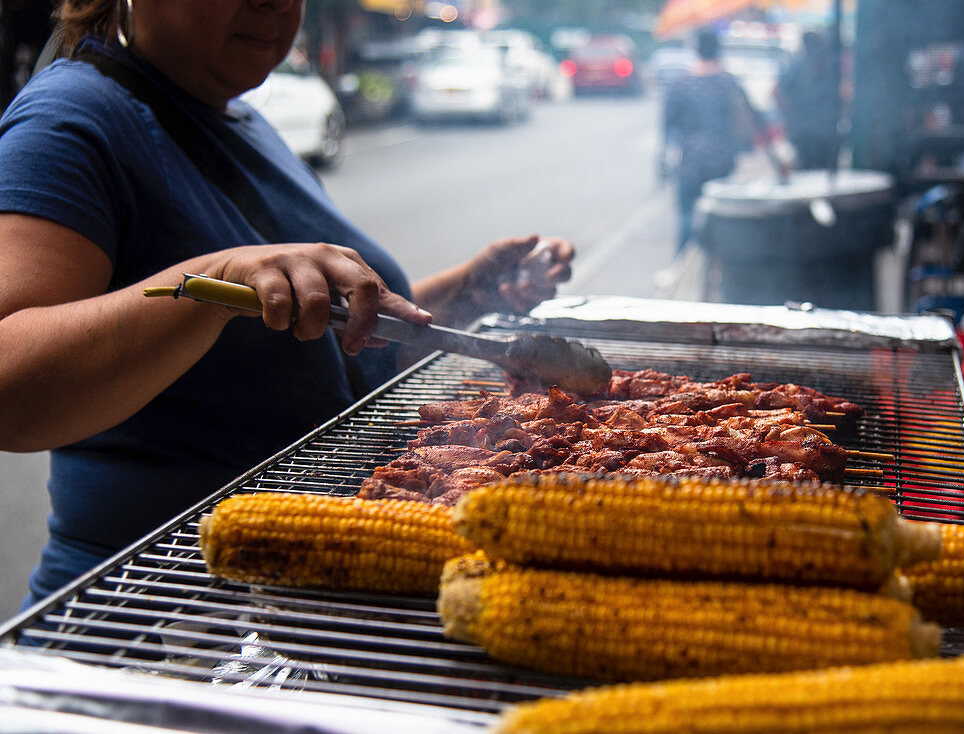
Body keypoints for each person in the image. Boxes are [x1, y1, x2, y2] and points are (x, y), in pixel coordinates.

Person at [0, 0, 574, 610]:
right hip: (162, 613)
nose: (273, 5)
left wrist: (468, 290)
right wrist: (213, 279)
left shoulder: (242, 117)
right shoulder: (69, 119)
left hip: (299, 579)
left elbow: (326, 327)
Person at [661, 27, 763, 253]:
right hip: (721, 158)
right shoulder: (728, 82)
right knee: (718, 217)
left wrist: (661, 162)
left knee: (687, 217)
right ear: (718, 50)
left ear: (696, 50)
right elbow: (751, 117)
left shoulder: (680, 84)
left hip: (689, 160)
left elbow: (668, 125)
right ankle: (715, 266)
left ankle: (680, 269)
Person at [774, 31, 840, 170]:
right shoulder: (798, 67)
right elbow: (776, 92)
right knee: (807, 171)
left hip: (823, 132)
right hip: (805, 132)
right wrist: (791, 115)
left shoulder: (829, 68)